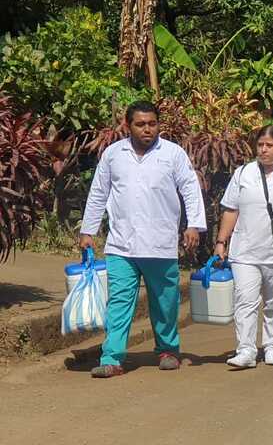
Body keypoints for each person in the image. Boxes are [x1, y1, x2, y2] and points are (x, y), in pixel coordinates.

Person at [79, 100, 206, 378]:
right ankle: (112, 358)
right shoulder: (113, 154)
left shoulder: (172, 154)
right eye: (140, 124)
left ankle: (168, 350)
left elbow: (190, 189)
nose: (147, 129)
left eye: (152, 124)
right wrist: (88, 231)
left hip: (160, 244)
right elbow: (98, 192)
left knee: (165, 303)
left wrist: (194, 225)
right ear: (128, 126)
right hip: (121, 244)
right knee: (119, 302)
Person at [213, 125, 273, 368]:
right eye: (260, 145)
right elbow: (231, 209)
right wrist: (221, 241)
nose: (264, 150)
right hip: (245, 252)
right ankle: (246, 350)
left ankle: (272, 347)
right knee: (245, 301)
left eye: (270, 145)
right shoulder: (243, 173)